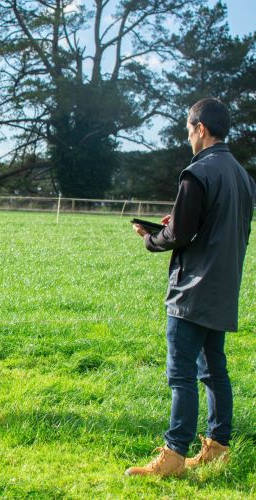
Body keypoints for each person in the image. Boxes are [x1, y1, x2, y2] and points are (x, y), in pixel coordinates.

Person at [126, 97, 255, 478]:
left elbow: (180, 234)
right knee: (215, 370)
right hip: (224, 286)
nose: (188, 138)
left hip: (192, 288)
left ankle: (173, 456)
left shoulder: (196, 172)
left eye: (188, 131)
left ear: (200, 128)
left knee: (180, 375)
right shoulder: (243, 177)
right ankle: (218, 447)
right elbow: (215, 226)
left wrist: (151, 238)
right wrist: (177, 221)